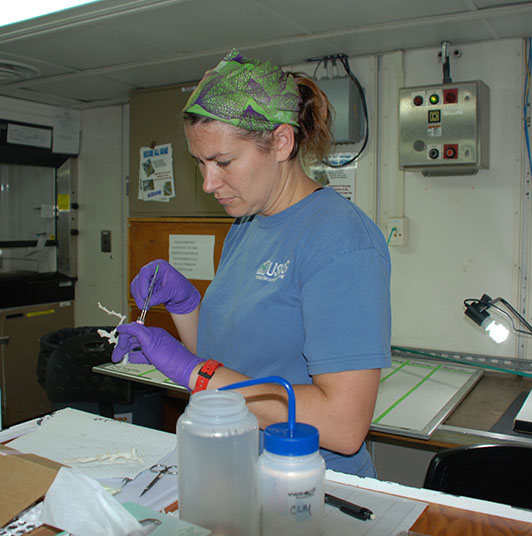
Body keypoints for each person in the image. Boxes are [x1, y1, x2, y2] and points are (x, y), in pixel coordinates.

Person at [113, 49, 391, 477]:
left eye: (223, 162)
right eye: (200, 163)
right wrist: (186, 308)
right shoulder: (246, 224)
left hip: (313, 486)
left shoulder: (341, 240)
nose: (208, 183)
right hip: (239, 470)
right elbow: (226, 362)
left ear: (281, 141)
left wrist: (195, 374)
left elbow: (343, 425)